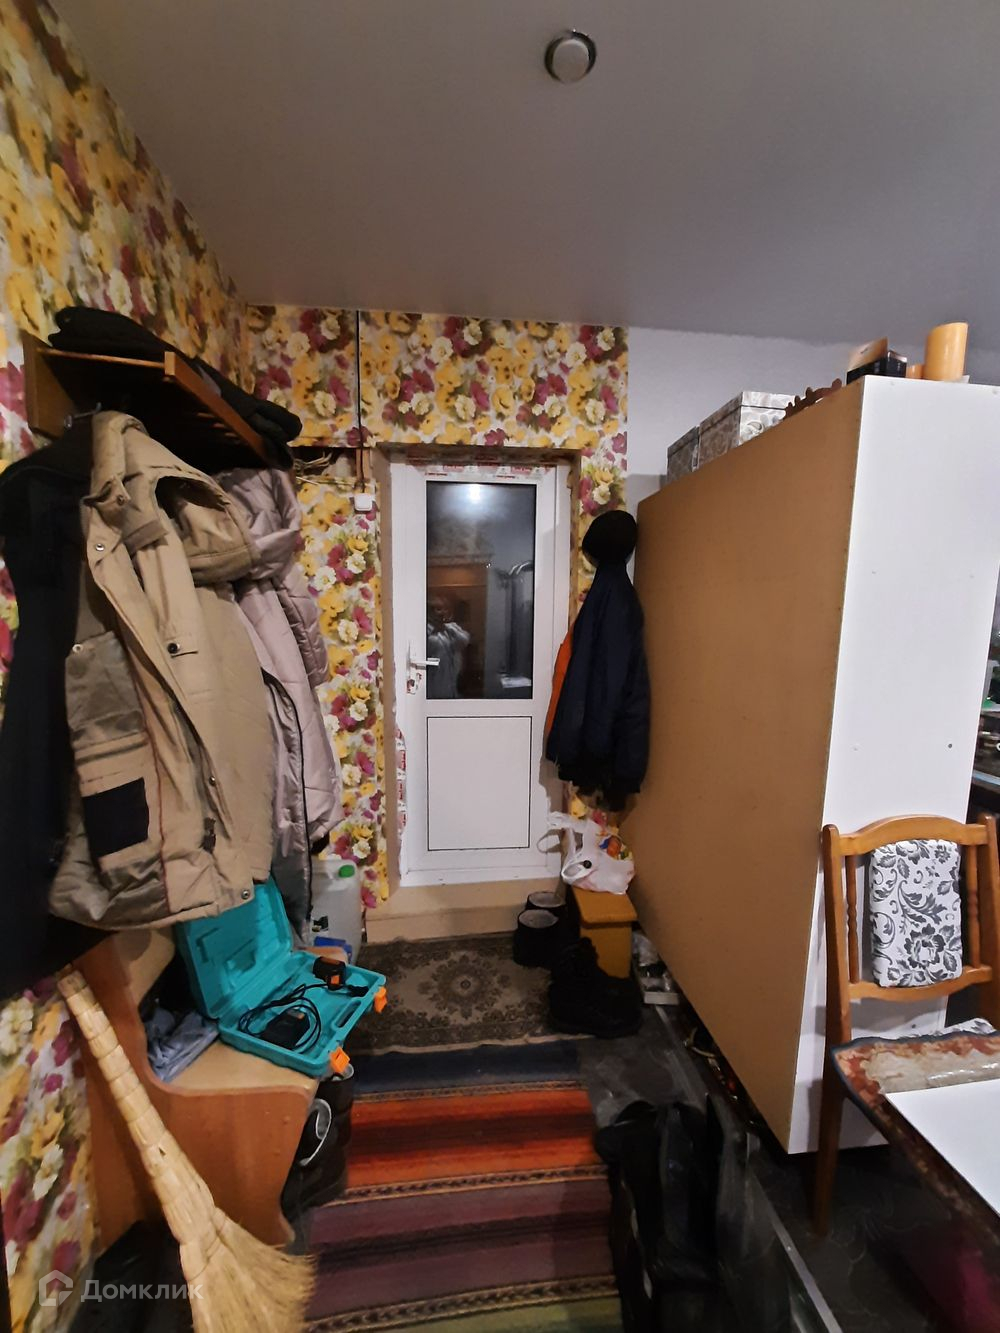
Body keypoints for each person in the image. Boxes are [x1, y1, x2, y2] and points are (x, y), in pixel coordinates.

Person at [426, 593, 471, 698]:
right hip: (434, 686)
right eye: (438, 609)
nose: (443, 613)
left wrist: (449, 628)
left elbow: (464, 640)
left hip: (451, 682)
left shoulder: (449, 629)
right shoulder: (426, 631)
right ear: (429, 613)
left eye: (445, 609)